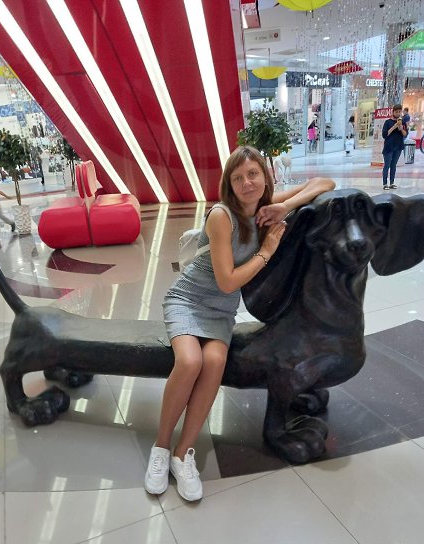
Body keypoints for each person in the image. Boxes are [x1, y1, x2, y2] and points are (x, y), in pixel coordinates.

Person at [144, 146, 336, 502]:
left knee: (215, 361)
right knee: (190, 361)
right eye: (238, 178)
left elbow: (324, 182)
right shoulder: (222, 216)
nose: (247, 183)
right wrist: (266, 251)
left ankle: (182, 454)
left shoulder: (265, 207)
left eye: (253, 174)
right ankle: (161, 447)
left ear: (265, 176)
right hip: (189, 301)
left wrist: (286, 206)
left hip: (220, 312)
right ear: (229, 185)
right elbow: (227, 281)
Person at [381, 103, 408, 190]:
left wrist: (401, 129)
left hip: (398, 146)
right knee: (387, 165)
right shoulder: (387, 122)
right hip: (389, 147)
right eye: (396, 112)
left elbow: (405, 135)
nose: (398, 113)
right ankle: (385, 184)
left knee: (394, 165)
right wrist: (394, 127)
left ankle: (392, 183)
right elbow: (384, 135)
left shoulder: (403, 122)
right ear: (393, 112)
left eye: (400, 112)